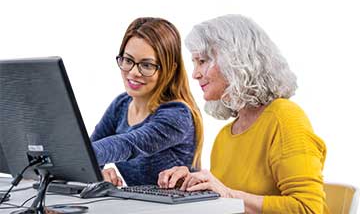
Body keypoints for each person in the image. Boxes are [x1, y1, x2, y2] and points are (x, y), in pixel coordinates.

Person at [158, 14, 328, 214]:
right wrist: (191, 186)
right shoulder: (225, 136)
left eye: (202, 61)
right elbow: (224, 200)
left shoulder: (284, 118)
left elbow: (309, 208)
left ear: (235, 61)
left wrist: (228, 195)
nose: (195, 74)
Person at [91, 17, 203, 187]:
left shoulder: (177, 114)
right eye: (128, 60)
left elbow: (128, 144)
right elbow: (89, 155)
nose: (134, 72)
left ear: (170, 69)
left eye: (147, 65)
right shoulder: (121, 105)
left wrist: (75, 157)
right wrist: (96, 172)